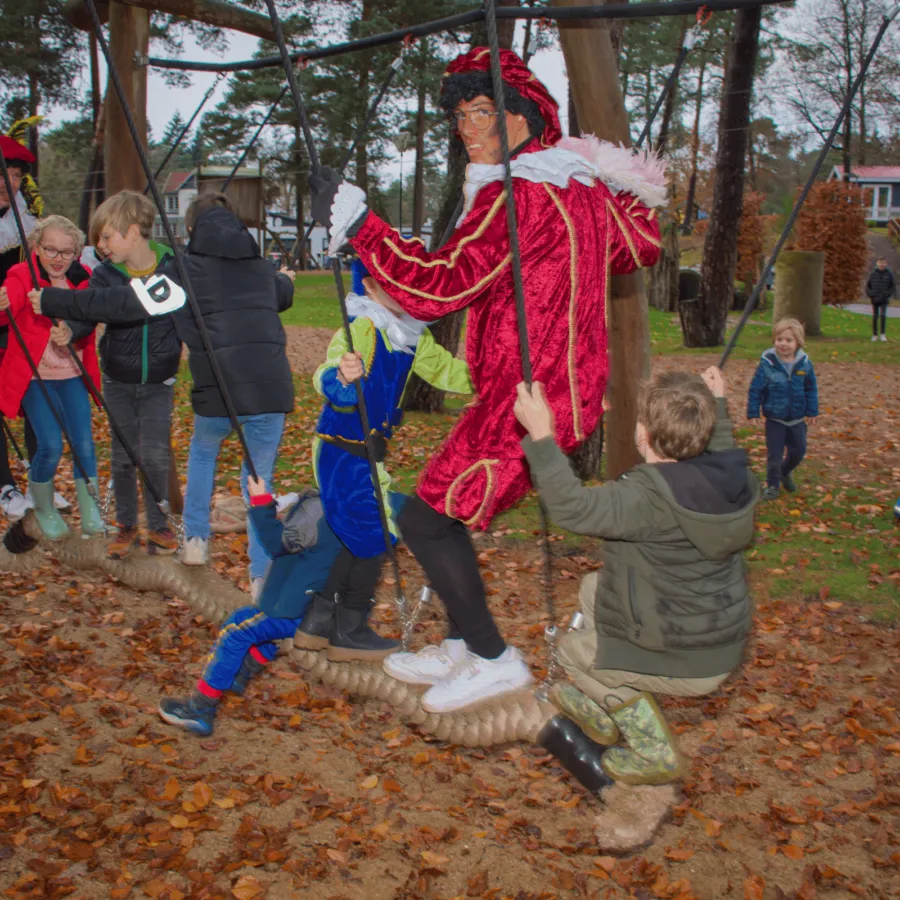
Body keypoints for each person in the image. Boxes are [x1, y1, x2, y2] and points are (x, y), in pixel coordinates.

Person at [308, 48, 664, 712]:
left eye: (482, 111)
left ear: (526, 116)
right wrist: (608, 174)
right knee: (447, 510)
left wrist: (363, 227)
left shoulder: (518, 192)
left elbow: (439, 288)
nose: (468, 128)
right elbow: (639, 242)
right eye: (460, 115)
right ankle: (466, 645)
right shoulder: (575, 188)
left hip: (529, 398)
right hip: (550, 389)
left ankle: (493, 656)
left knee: (424, 519)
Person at [36, 192, 296, 595]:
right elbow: (282, 295)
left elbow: (125, 302)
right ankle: (261, 577)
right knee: (258, 481)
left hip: (219, 391)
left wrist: (51, 298)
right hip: (271, 392)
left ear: (192, 231)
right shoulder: (261, 271)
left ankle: (195, 541)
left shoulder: (185, 273)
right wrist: (283, 279)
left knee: (204, 455)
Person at [515, 367, 758, 786]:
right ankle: (608, 707)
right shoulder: (730, 476)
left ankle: (652, 751)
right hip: (717, 630)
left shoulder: (645, 497)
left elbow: (574, 508)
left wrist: (542, 437)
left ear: (642, 433)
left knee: (576, 650)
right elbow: (721, 450)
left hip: (690, 653)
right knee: (594, 588)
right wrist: (717, 402)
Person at [300, 261, 473, 663]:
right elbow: (327, 370)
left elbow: (445, 370)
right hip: (341, 447)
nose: (408, 293)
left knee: (369, 532)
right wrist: (342, 376)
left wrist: (491, 379)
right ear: (372, 287)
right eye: (398, 285)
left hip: (368, 450)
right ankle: (349, 629)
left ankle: (319, 620)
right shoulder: (363, 326)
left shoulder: (410, 334)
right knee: (372, 534)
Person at [40, 190, 181, 558]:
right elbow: (89, 310)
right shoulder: (105, 275)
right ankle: (127, 525)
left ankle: (161, 524)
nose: (100, 246)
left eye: (106, 237)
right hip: (119, 377)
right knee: (122, 455)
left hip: (159, 380)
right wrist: (71, 329)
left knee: (153, 454)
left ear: (132, 232)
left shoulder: (172, 267)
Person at [158, 476, 343, 736]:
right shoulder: (356, 507)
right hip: (328, 608)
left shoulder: (320, 508)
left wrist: (260, 503)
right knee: (259, 629)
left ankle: (201, 708)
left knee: (237, 629)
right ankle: (239, 674)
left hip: (301, 611)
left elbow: (278, 543)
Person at [0, 215, 102, 539]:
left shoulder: (83, 278)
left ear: (76, 253)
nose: (57, 259)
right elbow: (11, 299)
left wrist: (72, 331)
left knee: (84, 444)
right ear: (36, 247)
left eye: (66, 252)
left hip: (71, 374)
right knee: (49, 445)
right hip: (35, 378)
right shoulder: (22, 275)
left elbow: (90, 316)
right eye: (50, 250)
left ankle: (91, 514)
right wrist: (3, 304)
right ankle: (42, 507)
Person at [0, 132, 40, 519]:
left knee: (32, 402)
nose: (8, 182)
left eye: (14, 175)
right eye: (2, 174)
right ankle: (4, 485)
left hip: (17, 324)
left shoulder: (27, 224)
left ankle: (38, 480)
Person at [746, 317, 819, 500]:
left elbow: (811, 388)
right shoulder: (767, 364)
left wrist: (812, 410)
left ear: (798, 343)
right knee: (774, 455)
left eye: (788, 340)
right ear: (774, 341)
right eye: (780, 339)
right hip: (775, 419)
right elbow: (756, 388)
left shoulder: (804, 364)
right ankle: (772, 485)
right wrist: (753, 411)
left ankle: (785, 472)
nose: (783, 344)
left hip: (797, 419)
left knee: (799, 451)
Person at [866, 255, 894, 342]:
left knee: (883, 316)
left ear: (886, 264)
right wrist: (871, 294)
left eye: (883, 263)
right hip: (875, 299)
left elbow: (892, 286)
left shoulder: (889, 274)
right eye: (880, 263)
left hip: (884, 299)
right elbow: (868, 286)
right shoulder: (873, 273)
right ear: (877, 263)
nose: (881, 264)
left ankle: (882, 334)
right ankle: (874, 335)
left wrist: (887, 294)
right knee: (875, 316)